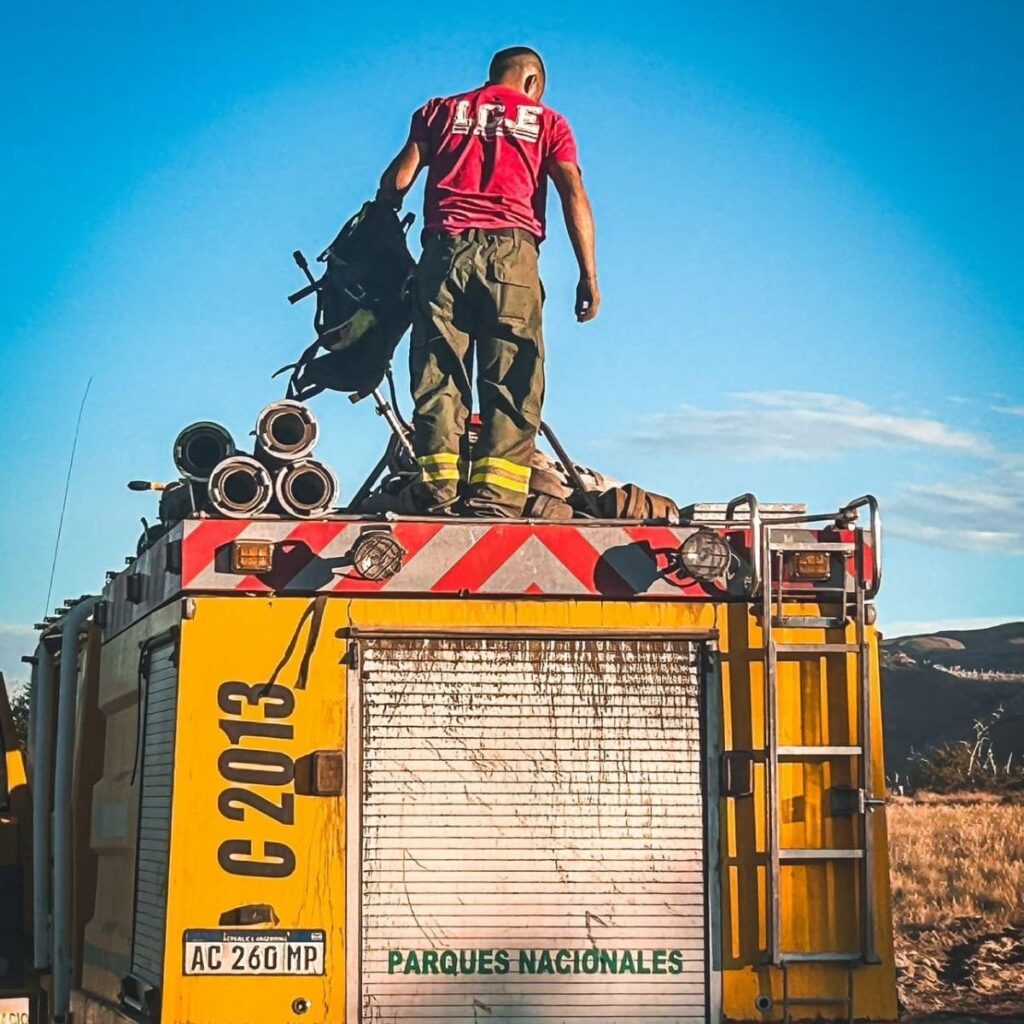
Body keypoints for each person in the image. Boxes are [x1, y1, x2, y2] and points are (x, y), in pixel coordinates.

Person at [377, 45, 600, 517]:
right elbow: (572, 191)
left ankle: (438, 493)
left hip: (443, 254)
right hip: (512, 256)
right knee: (514, 377)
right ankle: (495, 501)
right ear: (533, 83)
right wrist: (588, 275)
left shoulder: (438, 111)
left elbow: (398, 180)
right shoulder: (549, 123)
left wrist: (381, 220)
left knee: (439, 376)